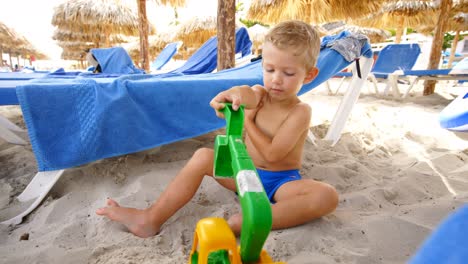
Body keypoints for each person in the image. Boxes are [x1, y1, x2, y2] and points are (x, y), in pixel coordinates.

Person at [96, 20, 339, 238]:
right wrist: (228, 96)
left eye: (288, 73)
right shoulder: (261, 95)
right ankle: (151, 218)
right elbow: (245, 93)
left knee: (326, 196)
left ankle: (251, 221)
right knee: (203, 156)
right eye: (269, 69)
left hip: (280, 184)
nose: (276, 79)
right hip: (242, 175)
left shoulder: (300, 111)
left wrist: (246, 122)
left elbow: (273, 155)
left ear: (309, 76)